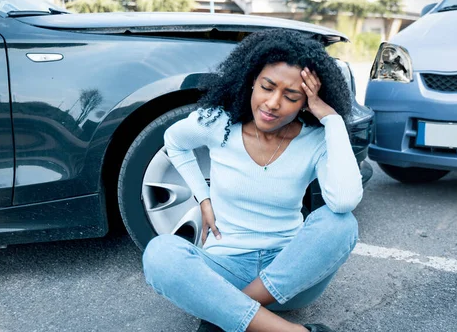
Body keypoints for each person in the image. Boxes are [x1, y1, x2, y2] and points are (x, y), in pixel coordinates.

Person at [142, 29, 363, 332]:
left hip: (290, 275)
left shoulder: (316, 140)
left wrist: (332, 120)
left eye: (291, 96)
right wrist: (203, 198)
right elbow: (174, 142)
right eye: (267, 87)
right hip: (225, 267)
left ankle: (226, 313)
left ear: (306, 103)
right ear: (250, 82)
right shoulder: (218, 125)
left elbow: (345, 199)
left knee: (341, 222)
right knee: (160, 253)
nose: (273, 103)